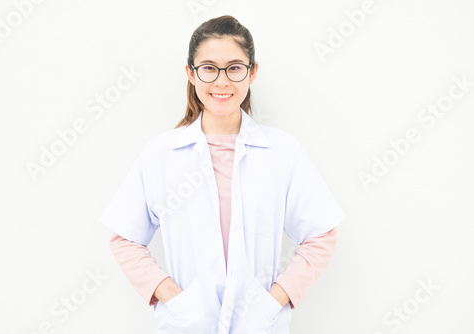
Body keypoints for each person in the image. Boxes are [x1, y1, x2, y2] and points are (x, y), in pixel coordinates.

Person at [100, 15, 346, 334]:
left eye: (234, 67)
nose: (221, 81)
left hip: (259, 326)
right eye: (208, 68)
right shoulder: (161, 154)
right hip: (186, 326)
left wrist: (272, 303)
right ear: (190, 73)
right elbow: (125, 238)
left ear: (252, 72)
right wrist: (175, 300)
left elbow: (321, 236)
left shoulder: (283, 152)